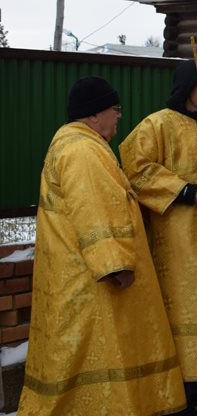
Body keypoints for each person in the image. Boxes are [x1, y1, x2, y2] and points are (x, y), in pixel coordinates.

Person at [19, 77, 186, 415]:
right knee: (94, 350)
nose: (119, 116)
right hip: (92, 279)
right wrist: (115, 263)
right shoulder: (82, 150)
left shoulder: (75, 143)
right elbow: (94, 208)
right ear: (95, 114)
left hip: (76, 271)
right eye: (115, 109)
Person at [120, 60, 197, 411]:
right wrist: (188, 192)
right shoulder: (155, 125)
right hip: (173, 236)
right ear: (189, 86)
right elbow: (136, 169)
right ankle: (178, 391)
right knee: (180, 312)